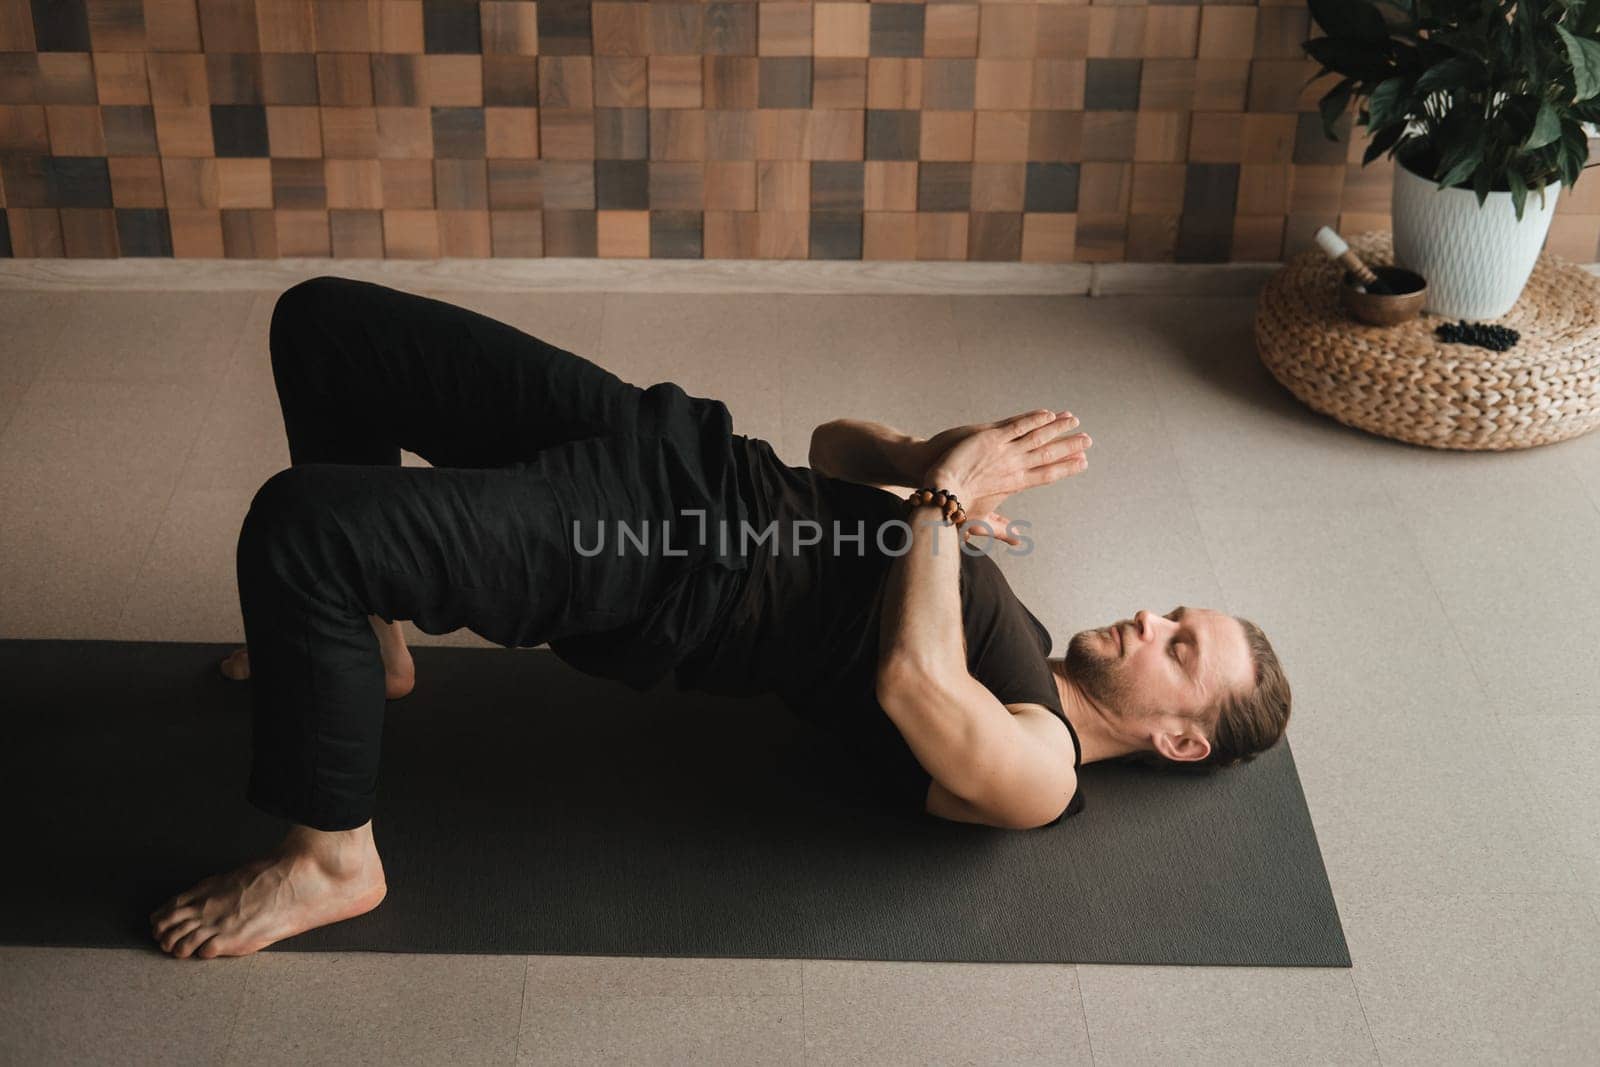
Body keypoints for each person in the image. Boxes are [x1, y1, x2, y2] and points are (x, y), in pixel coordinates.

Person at [149, 277, 1291, 960]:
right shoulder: (992, 593)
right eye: (1173, 609)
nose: (1150, 616)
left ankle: (329, 854)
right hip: (679, 449)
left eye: (1180, 645)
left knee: (301, 530)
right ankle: (370, 642)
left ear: (1180, 738)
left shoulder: (1041, 768)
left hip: (666, 563)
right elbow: (830, 451)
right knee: (325, 324)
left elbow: (911, 685)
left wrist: (941, 510)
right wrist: (932, 464)